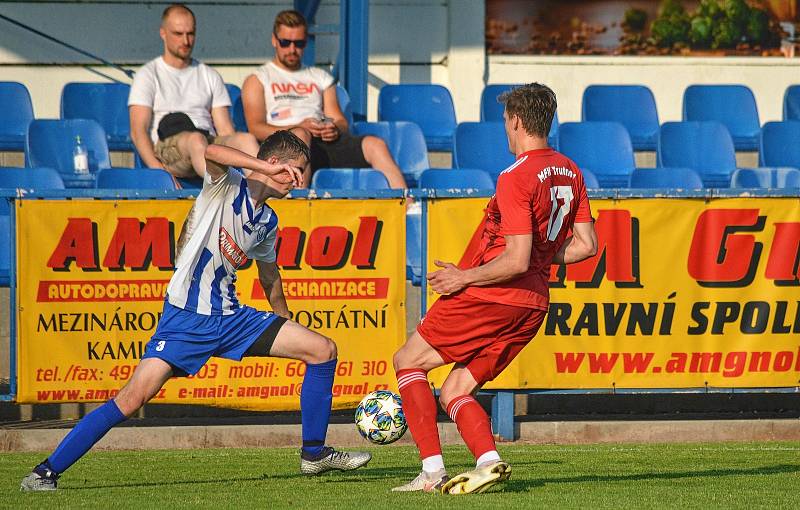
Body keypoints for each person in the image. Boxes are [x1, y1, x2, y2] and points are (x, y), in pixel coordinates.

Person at [20, 130, 371, 491]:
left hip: (233, 318)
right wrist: (261, 165)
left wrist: (286, 322)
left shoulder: (268, 221)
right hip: (185, 320)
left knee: (321, 349)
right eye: (295, 170)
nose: (298, 180)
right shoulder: (226, 186)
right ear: (274, 164)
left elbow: (270, 277)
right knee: (132, 398)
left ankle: (313, 454)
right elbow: (212, 150)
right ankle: (44, 473)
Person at [391, 83, 598, 495]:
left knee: (407, 361)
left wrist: (462, 277)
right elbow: (586, 246)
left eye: (505, 121)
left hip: (494, 296)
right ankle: (489, 460)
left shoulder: (516, 175)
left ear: (517, 121)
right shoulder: (571, 171)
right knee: (456, 388)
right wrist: (541, 258)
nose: (505, 129)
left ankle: (431, 472)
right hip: (533, 304)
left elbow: (516, 259)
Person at [241, 9, 407, 189]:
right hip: (284, 143)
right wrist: (298, 127)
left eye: (299, 43)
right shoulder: (258, 79)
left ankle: (408, 206)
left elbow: (340, 120)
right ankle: (298, 203)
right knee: (300, 135)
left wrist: (333, 128)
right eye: (285, 42)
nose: (292, 49)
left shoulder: (320, 76)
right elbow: (255, 127)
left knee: (376, 144)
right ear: (274, 40)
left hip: (322, 143)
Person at [129, 3, 260, 180]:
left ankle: (259, 195)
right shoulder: (148, 74)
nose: (185, 41)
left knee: (246, 140)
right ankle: (223, 193)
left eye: (190, 34)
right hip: (169, 146)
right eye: (178, 34)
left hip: (206, 142)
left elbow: (225, 131)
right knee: (196, 140)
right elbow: (138, 132)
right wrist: (159, 173)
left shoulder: (209, 75)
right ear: (163, 33)